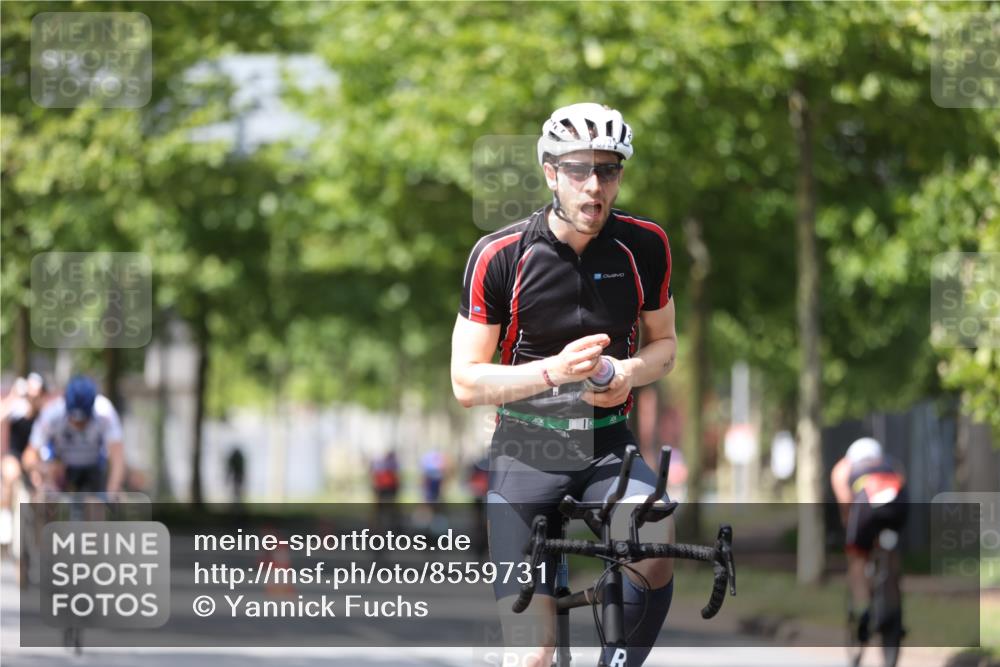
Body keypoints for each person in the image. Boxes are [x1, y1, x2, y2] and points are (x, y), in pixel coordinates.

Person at [451, 103, 678, 667]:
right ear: (551, 173)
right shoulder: (500, 255)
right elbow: (464, 380)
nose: (594, 186)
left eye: (609, 169)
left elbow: (665, 346)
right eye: (579, 169)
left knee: (655, 539)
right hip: (527, 445)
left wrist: (627, 373)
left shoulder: (645, 246)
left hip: (607, 443)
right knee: (532, 655)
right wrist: (554, 371)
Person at [830, 436, 908, 642]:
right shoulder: (891, 463)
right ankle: (893, 597)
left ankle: (863, 610)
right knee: (891, 549)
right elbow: (902, 484)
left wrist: (851, 530)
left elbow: (846, 503)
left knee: (857, 557)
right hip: (898, 504)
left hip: (865, 507)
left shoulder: (843, 467)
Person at [21, 375, 126, 496]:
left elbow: (118, 457)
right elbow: (29, 456)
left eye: (83, 421)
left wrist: (112, 491)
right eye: (73, 419)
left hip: (94, 469)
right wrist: (41, 470)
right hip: (62, 471)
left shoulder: (105, 413)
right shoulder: (52, 414)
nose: (78, 425)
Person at [0, 373, 50, 546]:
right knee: (10, 474)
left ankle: (37, 529)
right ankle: (5, 517)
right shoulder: (16, 408)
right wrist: (13, 396)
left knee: (41, 485)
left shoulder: (44, 415)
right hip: (15, 454)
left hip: (33, 458)